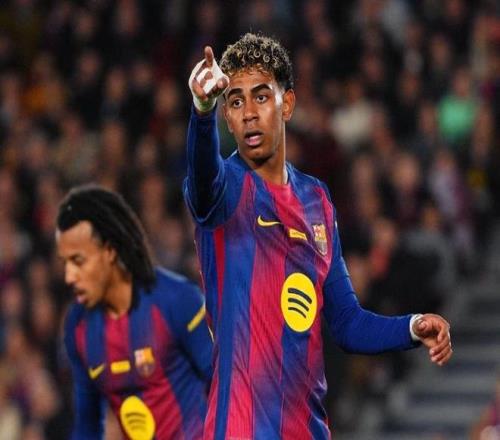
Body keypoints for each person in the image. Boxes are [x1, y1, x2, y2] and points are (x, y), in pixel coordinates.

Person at [184, 32, 453, 439]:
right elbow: (202, 181)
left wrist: (412, 327)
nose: (249, 113)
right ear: (227, 117)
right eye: (235, 102)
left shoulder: (317, 201)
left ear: (287, 104)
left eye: (261, 97)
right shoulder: (224, 191)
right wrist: (201, 111)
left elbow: (346, 322)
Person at [57, 185, 213, 440]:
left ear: (110, 251)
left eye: (78, 261)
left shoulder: (176, 300)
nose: (69, 276)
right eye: (65, 263)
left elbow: (225, 384)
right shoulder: (79, 327)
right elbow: (88, 424)